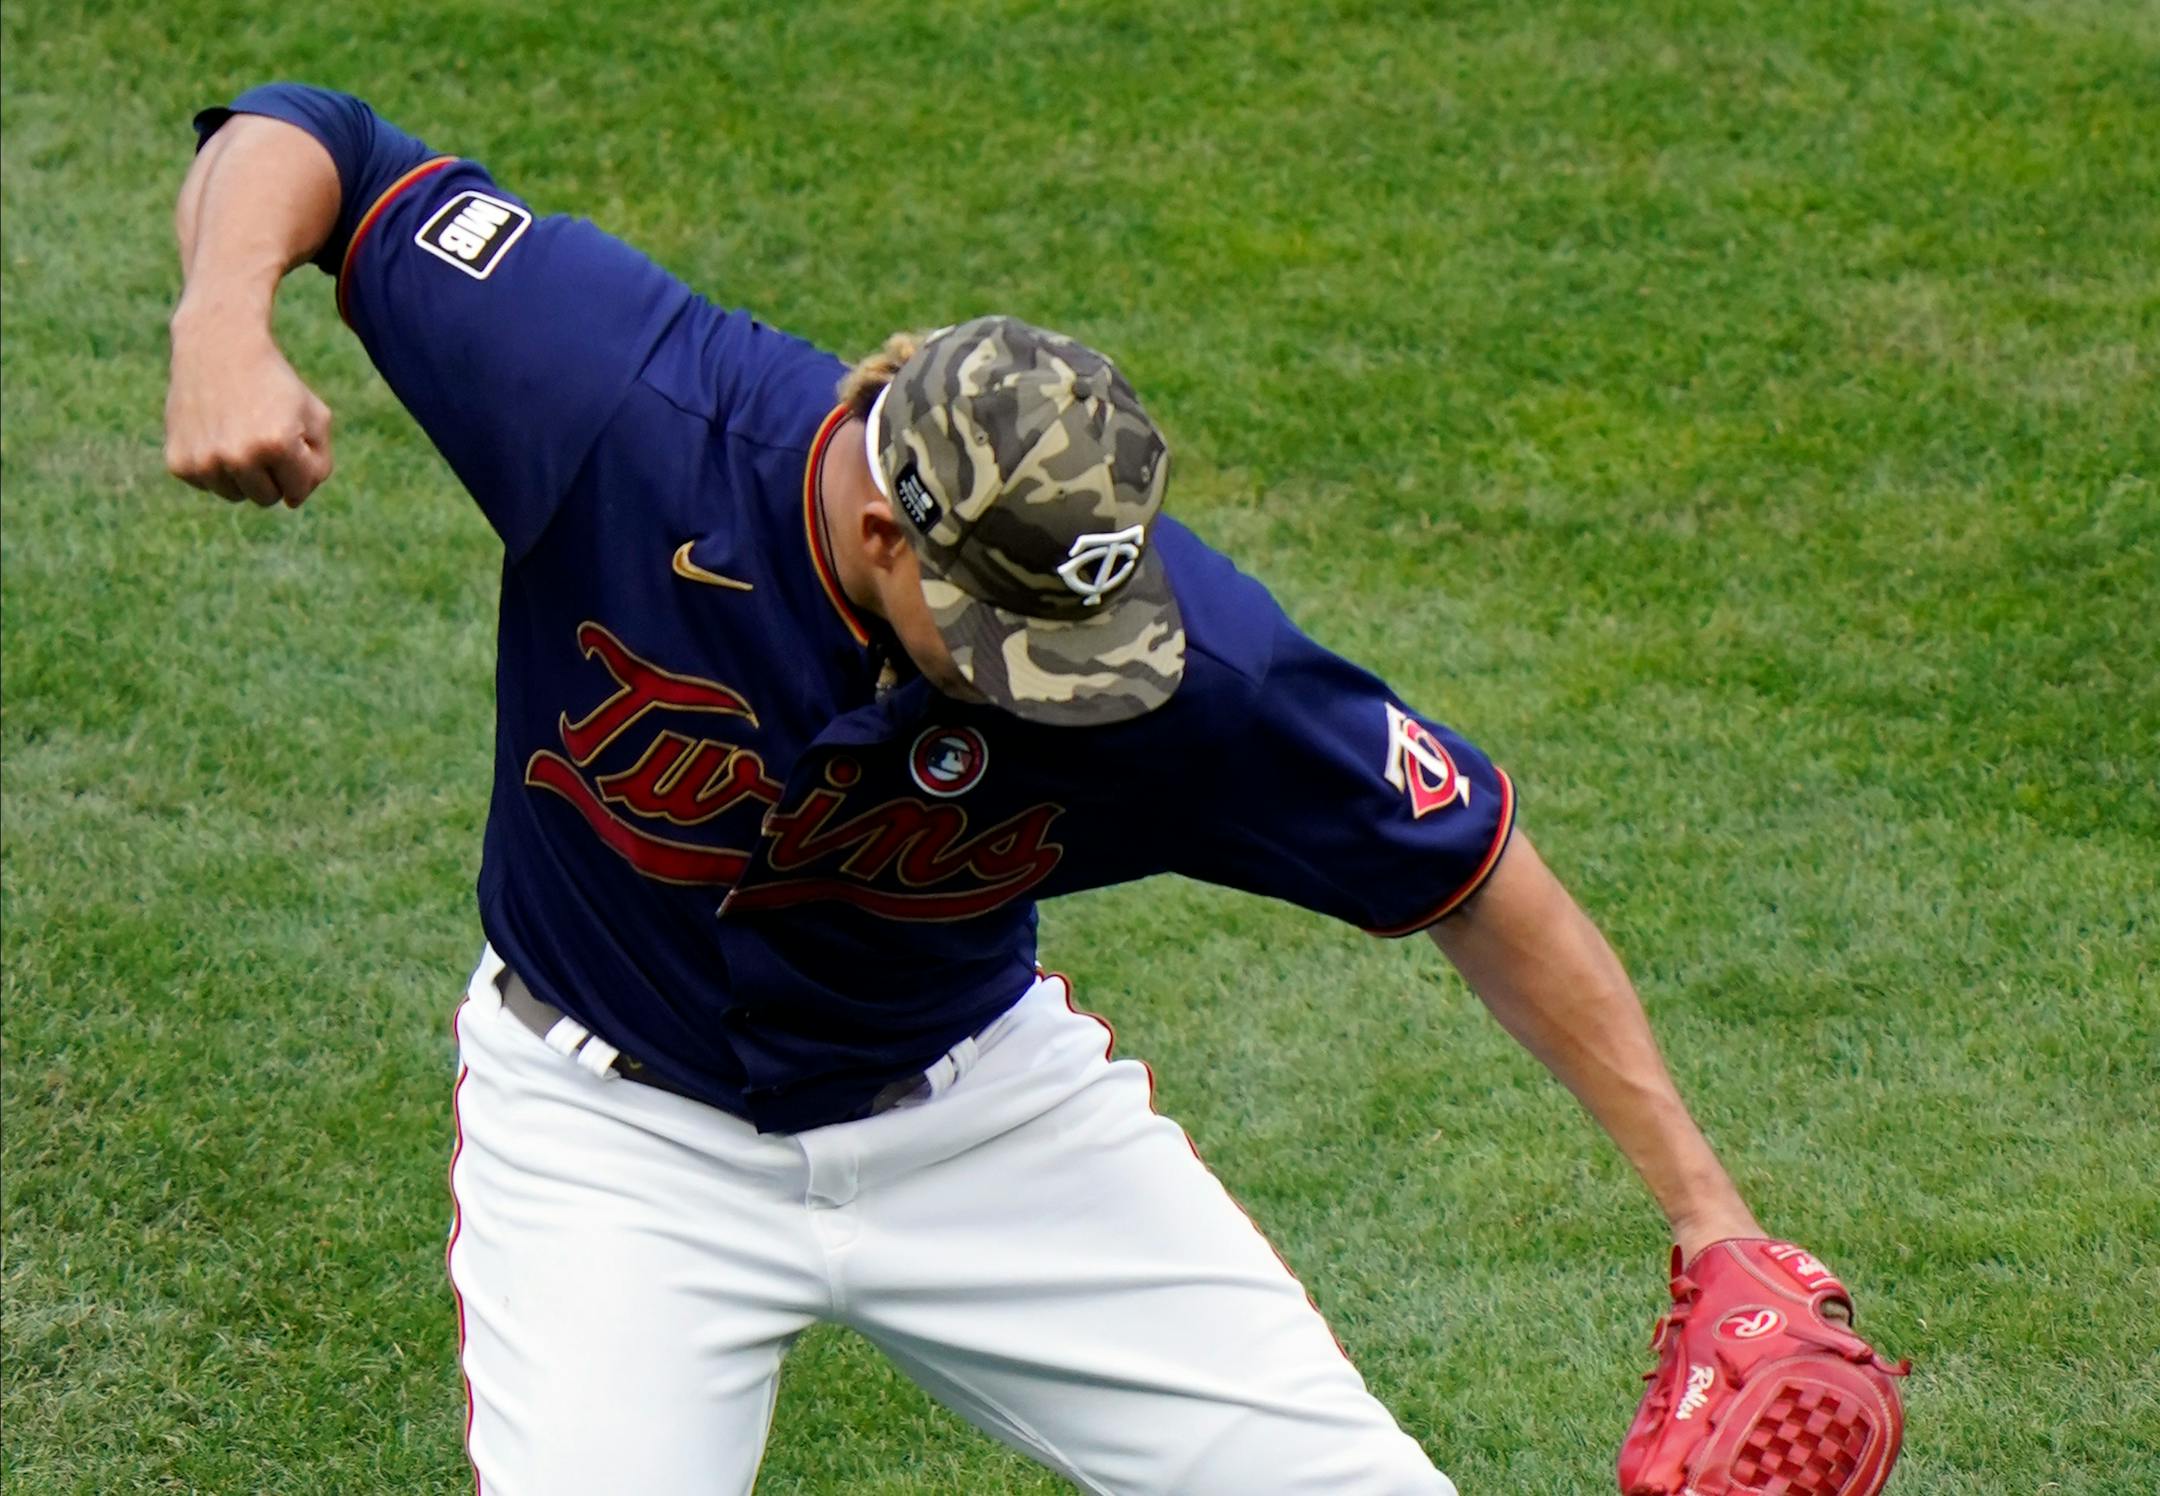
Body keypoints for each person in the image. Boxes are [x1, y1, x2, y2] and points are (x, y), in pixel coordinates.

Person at [165, 84, 1903, 1496]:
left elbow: (1470, 870)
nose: (1044, 679)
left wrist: (1713, 1219)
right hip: (613, 1143)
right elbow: (317, 140)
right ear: (871, 524)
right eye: (994, 629)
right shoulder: (622, 403)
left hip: (980, 1122)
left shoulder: (1177, 660)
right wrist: (221, 323)